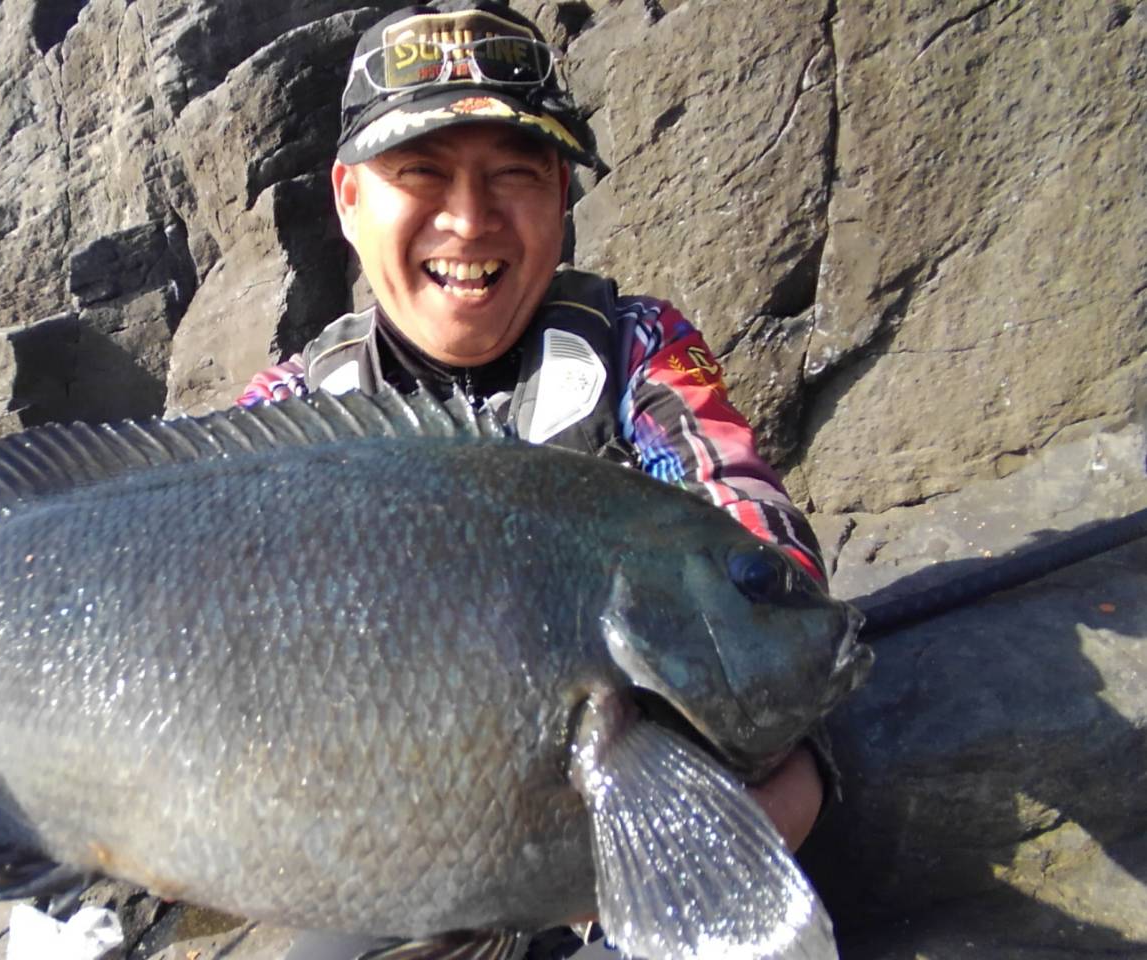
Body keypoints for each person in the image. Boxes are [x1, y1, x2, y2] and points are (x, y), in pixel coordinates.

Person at [238, 1, 829, 861]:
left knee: (794, 773)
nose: (470, 220)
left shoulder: (637, 349)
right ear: (349, 198)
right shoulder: (286, 414)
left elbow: (749, 525)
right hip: (387, 838)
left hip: (629, 802)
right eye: (421, 172)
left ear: (561, 195)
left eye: (516, 172)